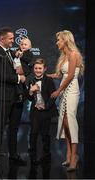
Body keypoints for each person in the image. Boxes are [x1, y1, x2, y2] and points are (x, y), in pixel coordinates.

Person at [0, 27, 27, 178]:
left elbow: (19, 69)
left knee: (14, 127)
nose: (13, 41)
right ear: (2, 39)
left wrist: (19, 61)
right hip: (4, 96)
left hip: (16, 96)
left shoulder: (12, 54)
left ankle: (13, 154)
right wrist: (19, 79)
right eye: (11, 38)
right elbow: (0, 75)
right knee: (0, 126)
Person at [49, 30, 84, 171]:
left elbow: (69, 76)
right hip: (64, 90)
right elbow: (60, 75)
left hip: (71, 90)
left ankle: (75, 156)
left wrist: (58, 91)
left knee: (70, 122)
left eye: (59, 40)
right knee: (65, 123)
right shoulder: (63, 56)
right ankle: (69, 155)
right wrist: (45, 76)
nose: (57, 42)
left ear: (65, 41)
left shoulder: (74, 54)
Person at [27, 58, 57, 166]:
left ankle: (46, 154)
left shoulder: (48, 80)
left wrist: (45, 106)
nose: (38, 70)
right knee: (33, 133)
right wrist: (30, 91)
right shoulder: (30, 80)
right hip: (35, 111)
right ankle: (32, 154)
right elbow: (30, 99)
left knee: (45, 133)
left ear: (44, 69)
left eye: (40, 68)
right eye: (36, 68)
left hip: (45, 111)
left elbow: (53, 96)